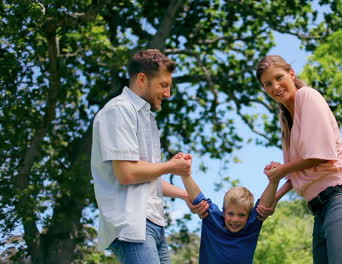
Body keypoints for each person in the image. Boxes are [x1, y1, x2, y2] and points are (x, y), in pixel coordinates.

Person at [91, 49, 208, 264]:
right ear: (142, 79)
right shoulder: (119, 110)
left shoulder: (146, 118)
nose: (168, 93)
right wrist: (171, 167)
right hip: (132, 225)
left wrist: (184, 195)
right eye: (163, 85)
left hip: (153, 223)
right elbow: (127, 174)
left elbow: (147, 177)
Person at [255, 55, 342, 264]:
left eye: (279, 77)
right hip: (319, 208)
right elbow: (296, 173)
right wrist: (274, 200)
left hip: (340, 198)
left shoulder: (307, 96)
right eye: (267, 84)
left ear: (291, 73)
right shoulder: (285, 119)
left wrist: (282, 170)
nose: (275, 86)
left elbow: (321, 156)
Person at [173, 153, 280, 264]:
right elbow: (199, 199)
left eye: (241, 215)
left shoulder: (251, 225)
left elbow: (264, 205)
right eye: (230, 213)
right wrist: (185, 174)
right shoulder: (213, 220)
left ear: (249, 215)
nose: (235, 219)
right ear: (223, 212)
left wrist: (274, 181)